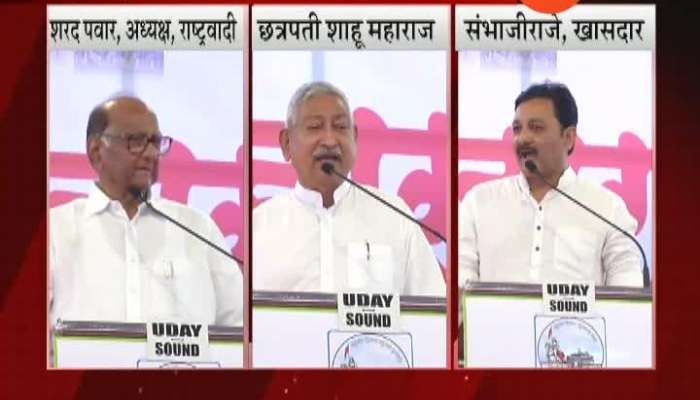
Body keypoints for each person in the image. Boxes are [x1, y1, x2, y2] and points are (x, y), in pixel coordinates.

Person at [50, 96, 243, 326]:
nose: (151, 153)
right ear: (96, 151)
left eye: (155, 142)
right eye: (136, 141)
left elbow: (238, 325)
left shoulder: (198, 229)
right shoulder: (55, 232)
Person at [253, 81, 445, 296]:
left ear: (354, 137)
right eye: (315, 127)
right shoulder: (259, 226)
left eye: (340, 127)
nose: (329, 140)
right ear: (287, 143)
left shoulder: (394, 216)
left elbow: (434, 308)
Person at [458, 82, 644, 288]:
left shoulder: (607, 208)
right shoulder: (478, 202)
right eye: (517, 129)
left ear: (569, 138)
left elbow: (627, 291)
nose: (523, 138)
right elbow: (461, 282)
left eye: (536, 128)